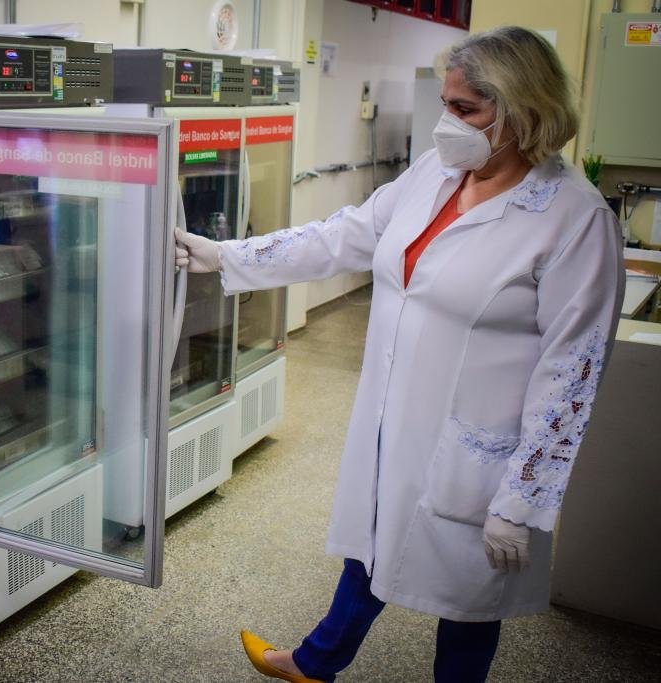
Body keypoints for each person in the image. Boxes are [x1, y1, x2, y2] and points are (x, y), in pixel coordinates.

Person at [176, 26, 624, 683]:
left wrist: (523, 497)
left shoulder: (574, 219)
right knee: (372, 541)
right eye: (446, 103)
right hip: (393, 419)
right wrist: (228, 256)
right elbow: (344, 236)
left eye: (466, 109)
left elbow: (572, 373)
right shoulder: (436, 173)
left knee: (470, 600)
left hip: (480, 447)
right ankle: (315, 661)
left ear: (525, 111)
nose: (448, 123)